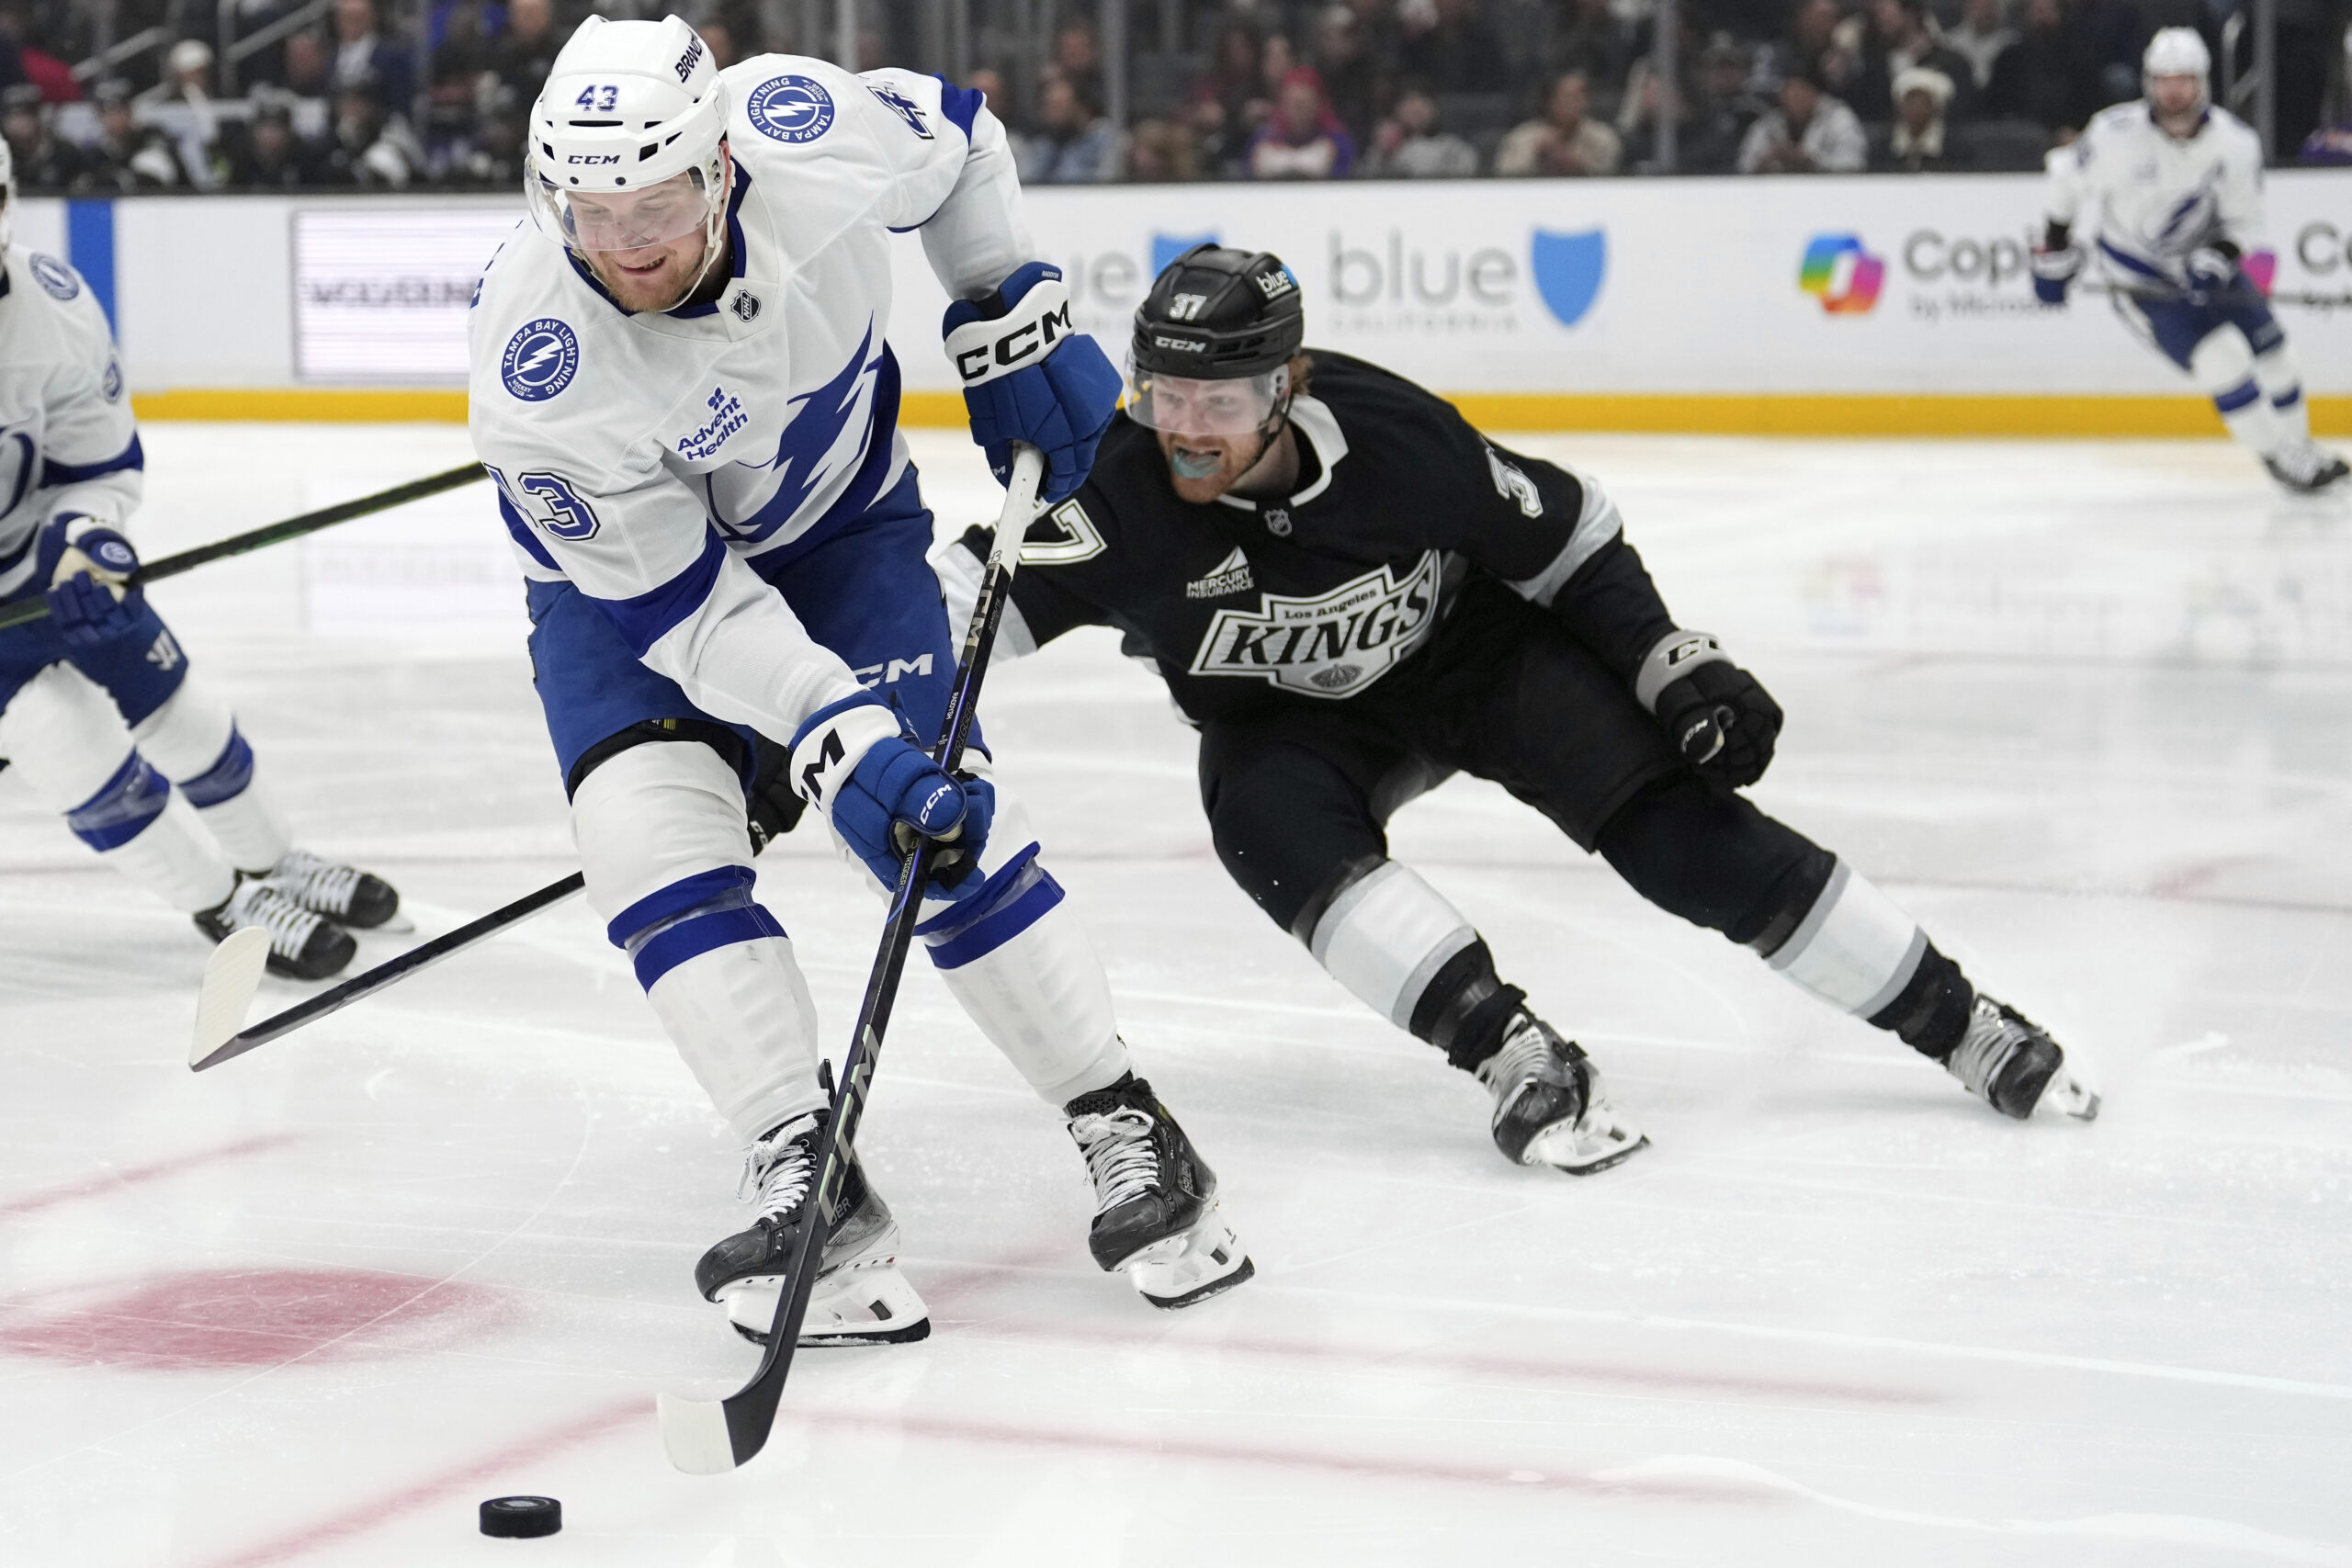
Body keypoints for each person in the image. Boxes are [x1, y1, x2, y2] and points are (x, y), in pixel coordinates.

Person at [933, 244, 2102, 1177]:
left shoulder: (1396, 440)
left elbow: (1568, 536)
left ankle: (1961, 1022)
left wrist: (1664, 660)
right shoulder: (1116, 493)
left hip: (1469, 658)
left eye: (1222, 397)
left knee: (1679, 838)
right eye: (1168, 391)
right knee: (1262, 824)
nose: (1189, 425)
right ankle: (1511, 1052)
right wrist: (855, 722)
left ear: (1285, 388)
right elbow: (955, 619)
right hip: (1286, 719)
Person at [466, 17, 1254, 1349]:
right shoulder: (534, 367)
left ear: (721, 167)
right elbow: (689, 614)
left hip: (843, 532)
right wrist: (825, 733)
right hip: (640, 596)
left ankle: (1128, 1118)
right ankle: (806, 1166)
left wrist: (1001, 301)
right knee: (649, 840)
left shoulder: (803, 128)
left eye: (655, 200)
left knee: (932, 831)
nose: (629, 242)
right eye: (591, 213)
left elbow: (959, 146)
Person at [0, 144, 401, 983]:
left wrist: (82, 543)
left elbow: (97, 470)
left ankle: (274, 861)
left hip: (37, 559)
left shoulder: (52, 306)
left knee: (175, 706)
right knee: (61, 735)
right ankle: (223, 900)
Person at [2031, 30, 2348, 494]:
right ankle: (2279, 459)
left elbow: (2245, 224)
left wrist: (2217, 259)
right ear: (2147, 83)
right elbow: (2063, 177)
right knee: (2221, 361)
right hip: (2144, 283)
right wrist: (2055, 251)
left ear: (2203, 83)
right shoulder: (2115, 135)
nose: (2173, 92)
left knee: (2278, 356)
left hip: (2207, 265)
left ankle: (2300, 447)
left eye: (2184, 80)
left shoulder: (2235, 143)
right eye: (2163, 81)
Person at [1736, 65, 1867, 173]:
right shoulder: (1769, 123)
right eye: (1789, 92)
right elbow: (1744, 165)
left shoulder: (1839, 118)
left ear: (1815, 93)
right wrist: (1764, 161)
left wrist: (1808, 161)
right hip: (1778, 192)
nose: (1793, 98)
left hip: (1828, 192)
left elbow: (1853, 162)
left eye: (1800, 91)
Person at [1494, 69, 1623, 175]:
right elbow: (1504, 172)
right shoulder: (1523, 136)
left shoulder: (1603, 137)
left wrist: (1579, 165)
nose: (1576, 103)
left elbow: (1614, 173)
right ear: (1550, 101)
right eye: (1569, 97)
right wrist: (1536, 152)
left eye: (1582, 96)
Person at [1245, 66, 1355, 178]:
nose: (1299, 112)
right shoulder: (1263, 140)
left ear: (1318, 104)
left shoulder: (1339, 142)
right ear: (1283, 104)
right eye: (1294, 104)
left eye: (1305, 104)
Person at [1358, 87, 1480, 177]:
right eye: (1409, 101)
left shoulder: (1455, 149)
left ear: (1435, 108)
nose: (1416, 108)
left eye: (1423, 101)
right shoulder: (1385, 151)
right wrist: (1382, 153)